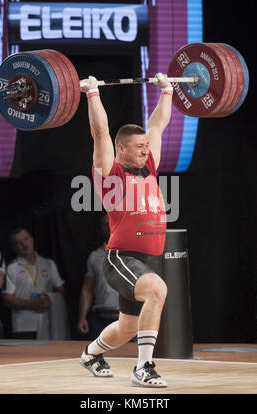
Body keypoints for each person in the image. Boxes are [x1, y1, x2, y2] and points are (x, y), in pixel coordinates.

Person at [79, 73, 172, 387]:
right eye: (139, 146)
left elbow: (158, 125)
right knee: (158, 290)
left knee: (128, 327)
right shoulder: (111, 173)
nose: (146, 150)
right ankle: (143, 368)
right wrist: (93, 93)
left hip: (152, 258)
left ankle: (91, 354)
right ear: (121, 149)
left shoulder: (150, 166)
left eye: (146, 146)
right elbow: (99, 131)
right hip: (122, 257)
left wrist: (167, 91)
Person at [3, 228, 69, 340]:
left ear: (32, 239)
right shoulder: (12, 268)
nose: (24, 244)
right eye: (18, 242)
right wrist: (32, 304)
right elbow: (7, 299)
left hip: (48, 322)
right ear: (13, 248)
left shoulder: (48, 263)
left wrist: (51, 299)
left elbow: (60, 290)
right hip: (24, 325)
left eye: (26, 239)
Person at [77, 213, 119, 340]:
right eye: (105, 224)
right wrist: (82, 316)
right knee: (97, 356)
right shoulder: (94, 256)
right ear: (101, 228)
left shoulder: (134, 253)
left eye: (111, 222)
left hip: (126, 318)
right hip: (100, 319)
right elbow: (87, 289)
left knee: (128, 357)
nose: (109, 226)